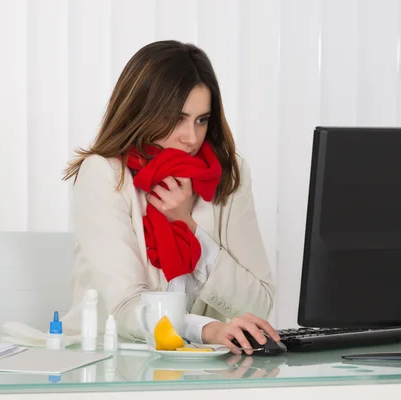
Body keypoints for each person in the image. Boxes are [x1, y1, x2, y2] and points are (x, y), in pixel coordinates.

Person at [61, 40, 279, 354]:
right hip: (109, 362)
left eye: (202, 120)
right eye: (177, 119)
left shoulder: (228, 173)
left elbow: (260, 302)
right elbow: (125, 308)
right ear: (141, 113)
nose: (191, 137)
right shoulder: (105, 174)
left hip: (202, 371)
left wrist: (189, 228)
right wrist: (207, 329)